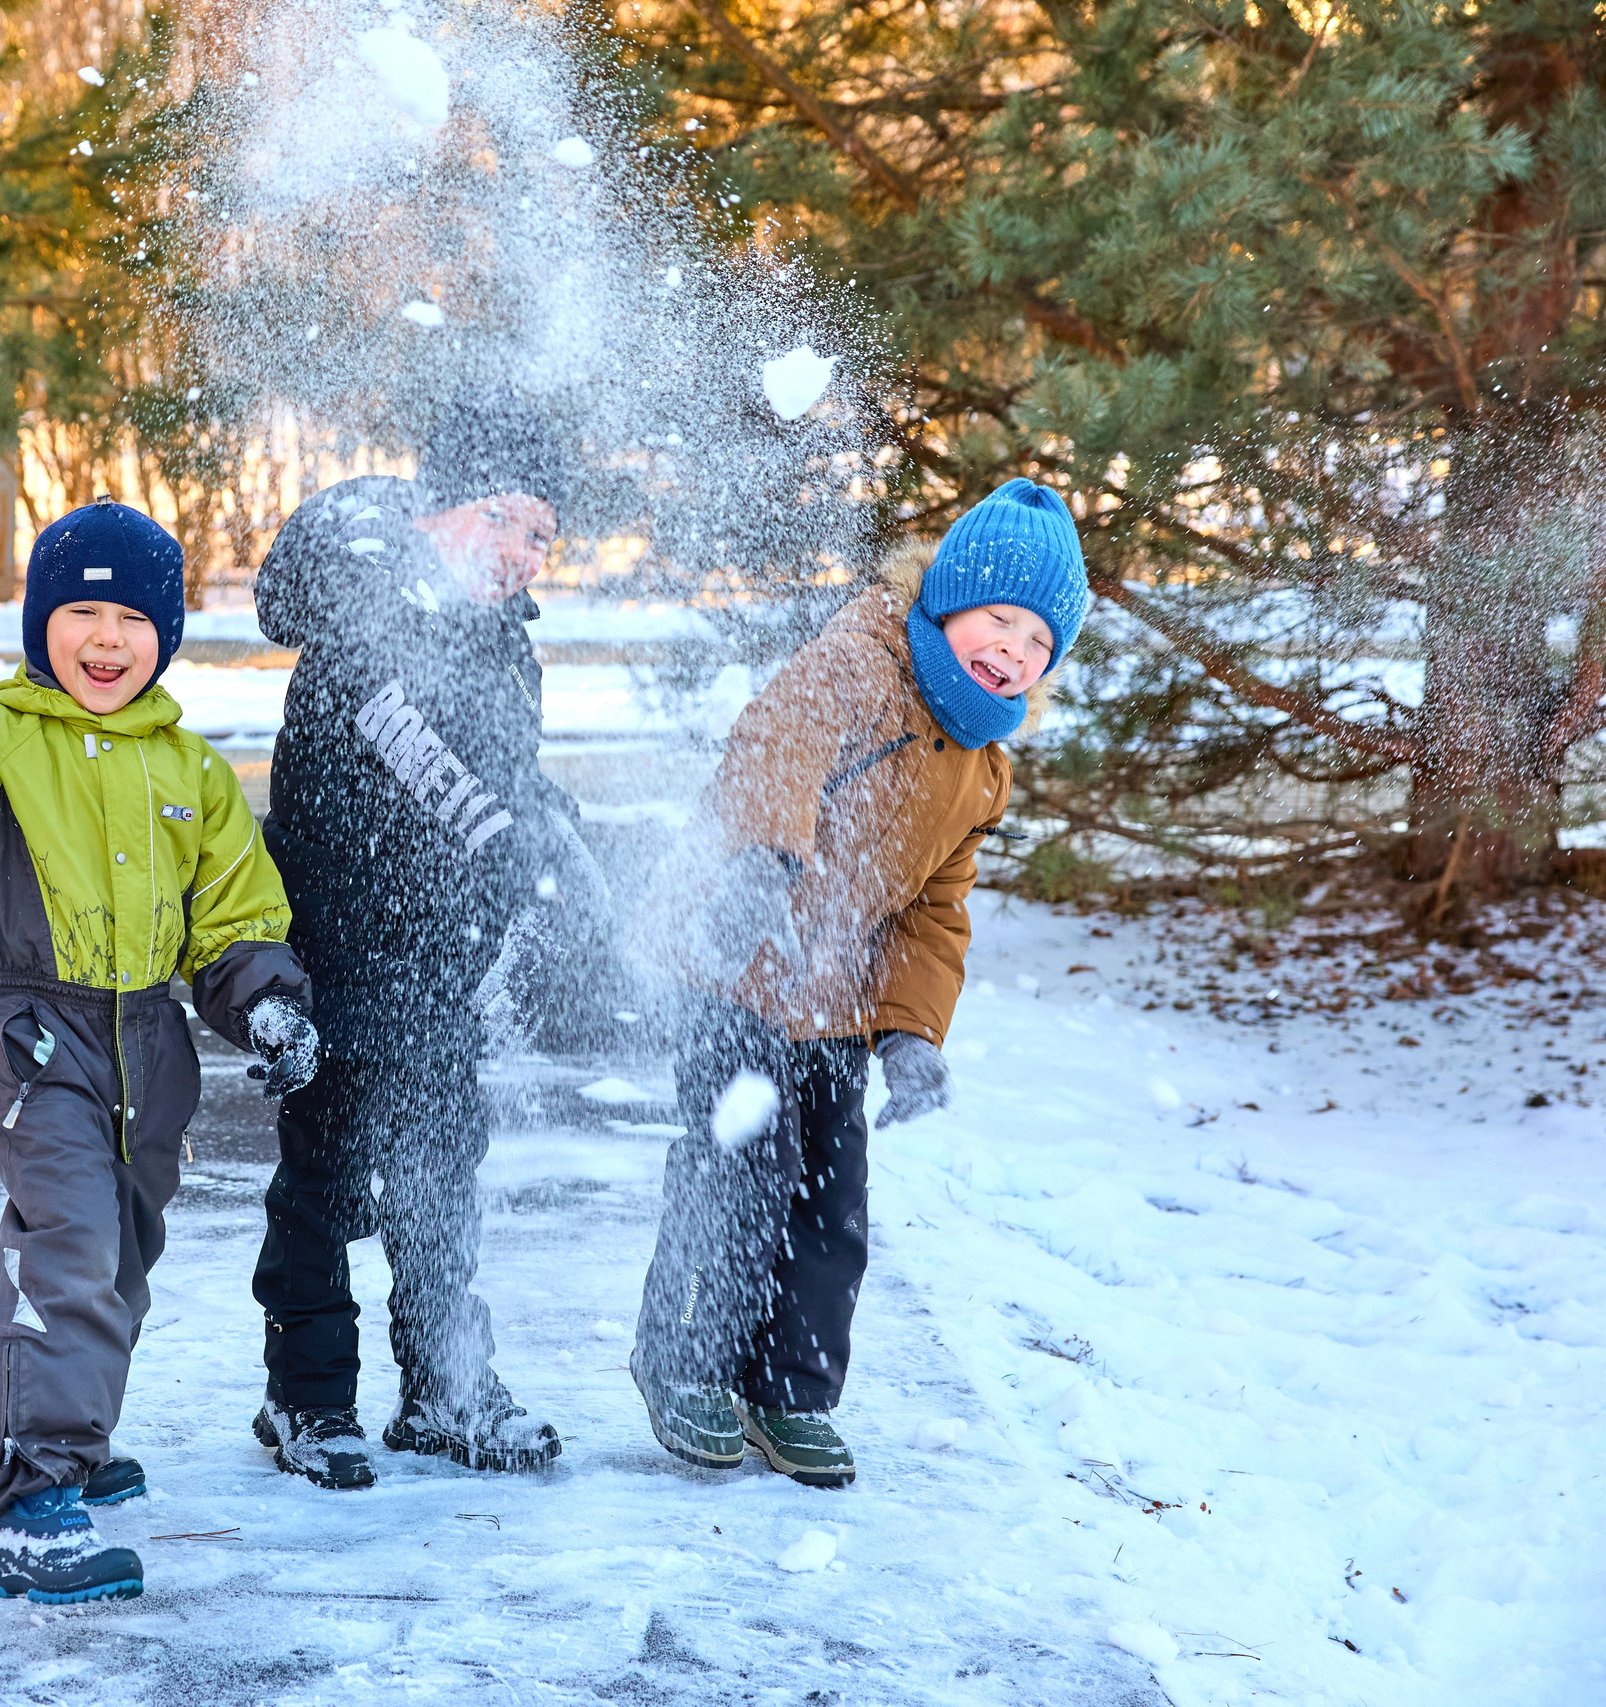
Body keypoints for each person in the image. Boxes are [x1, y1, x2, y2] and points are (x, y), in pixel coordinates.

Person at [0, 496, 319, 1604]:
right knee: (69, 1237)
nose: (107, 640)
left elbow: (234, 918)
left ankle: (67, 1438)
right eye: (82, 613)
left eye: (133, 619)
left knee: (119, 1252)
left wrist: (268, 1002)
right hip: (31, 1028)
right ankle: (32, 1497)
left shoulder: (188, 769)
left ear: (168, 631)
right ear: (41, 622)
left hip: (148, 1045)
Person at [629, 477, 1089, 1488]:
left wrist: (914, 1032)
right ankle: (687, 1365)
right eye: (1000, 621)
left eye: (1037, 645)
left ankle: (789, 1390)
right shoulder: (857, 659)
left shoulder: (982, 765)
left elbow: (936, 907)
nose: (1011, 652)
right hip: (734, 961)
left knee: (830, 1202)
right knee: (735, 1174)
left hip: (833, 993)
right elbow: (773, 750)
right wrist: (760, 864)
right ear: (951, 593)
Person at [247, 392, 606, 1489]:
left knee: (443, 1184)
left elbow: (504, 778)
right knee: (323, 1191)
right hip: (338, 962)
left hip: (441, 974)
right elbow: (417, 749)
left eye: (543, 537)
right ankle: (305, 1400)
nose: (521, 554)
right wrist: (519, 850)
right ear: (440, 509)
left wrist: (560, 851)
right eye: (503, 520)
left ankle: (447, 1385)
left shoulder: (503, 646)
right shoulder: (367, 605)